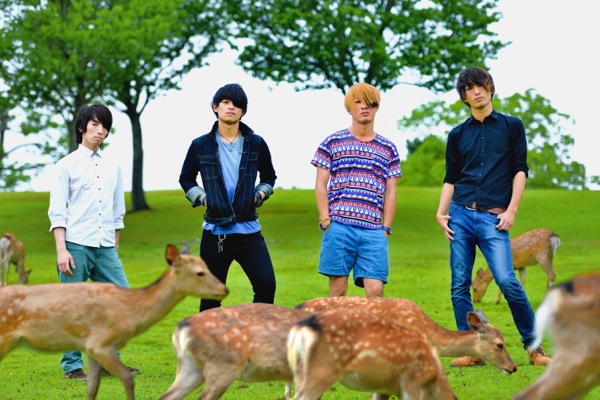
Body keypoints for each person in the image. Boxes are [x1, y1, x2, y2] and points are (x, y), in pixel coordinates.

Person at [435, 67, 551, 367]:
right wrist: (440, 213)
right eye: (469, 88)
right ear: (464, 96)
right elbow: (451, 178)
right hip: (460, 215)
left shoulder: (512, 126)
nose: (476, 91)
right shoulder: (457, 134)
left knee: (507, 280)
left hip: (493, 218)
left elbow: (520, 170)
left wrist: (512, 210)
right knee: (459, 284)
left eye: (481, 85)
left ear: (490, 88)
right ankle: (474, 350)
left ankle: (535, 349)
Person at [48, 104, 140, 380]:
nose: (101, 131)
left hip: (106, 246)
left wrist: (115, 246)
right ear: (82, 127)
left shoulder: (113, 165)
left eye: (105, 126)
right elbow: (57, 211)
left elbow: (117, 209)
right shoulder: (66, 165)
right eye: (95, 125)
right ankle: (72, 366)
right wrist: (62, 250)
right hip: (75, 245)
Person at [179, 83, 277, 312]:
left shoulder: (257, 143)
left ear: (243, 111)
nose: (231, 107)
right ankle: (204, 336)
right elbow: (186, 179)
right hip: (216, 233)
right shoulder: (200, 145)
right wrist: (204, 199)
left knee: (266, 285)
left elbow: (269, 176)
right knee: (211, 297)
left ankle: (255, 330)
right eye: (225, 103)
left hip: (249, 231)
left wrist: (259, 195)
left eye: (237, 104)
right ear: (216, 107)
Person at [311, 82, 402, 298]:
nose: (364, 107)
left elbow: (391, 191)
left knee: (376, 291)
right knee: (338, 290)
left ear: (377, 108)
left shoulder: (388, 148)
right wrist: (326, 221)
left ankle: (370, 325)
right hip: (339, 226)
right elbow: (320, 184)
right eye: (358, 102)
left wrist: (385, 228)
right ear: (349, 108)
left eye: (370, 103)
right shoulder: (332, 142)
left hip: (373, 230)